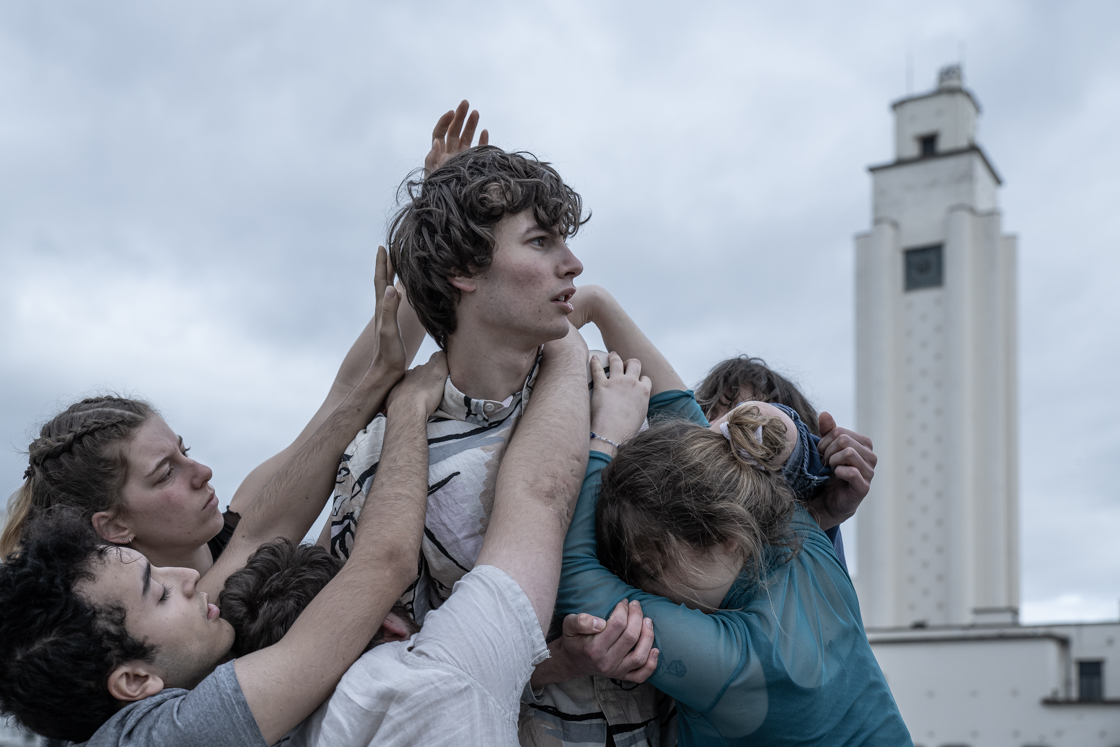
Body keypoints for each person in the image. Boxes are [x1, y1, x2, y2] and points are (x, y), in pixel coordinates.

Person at [323, 138, 663, 742]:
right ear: (463, 270)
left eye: (565, 239)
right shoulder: (384, 456)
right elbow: (399, 667)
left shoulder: (614, 393)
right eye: (541, 242)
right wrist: (562, 661)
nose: (573, 264)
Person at [0, 349, 450, 745]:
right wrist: (409, 408)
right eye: (157, 593)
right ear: (134, 680)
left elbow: (257, 534)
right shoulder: (176, 733)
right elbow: (382, 564)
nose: (193, 581)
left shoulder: (137, 659)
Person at [216, 327, 629, 745]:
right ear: (393, 629)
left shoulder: (287, 727)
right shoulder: (436, 680)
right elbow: (540, 497)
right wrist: (568, 343)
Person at [554, 289, 911, 745]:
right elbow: (681, 413)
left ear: (729, 541)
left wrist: (604, 438)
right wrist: (597, 305)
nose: (639, 582)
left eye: (651, 565)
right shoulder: (794, 530)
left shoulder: (741, 662)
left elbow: (576, 580)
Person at [695, 354, 864, 569]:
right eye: (706, 414)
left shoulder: (811, 533)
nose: (718, 425)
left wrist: (819, 515)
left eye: (744, 415)